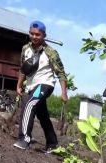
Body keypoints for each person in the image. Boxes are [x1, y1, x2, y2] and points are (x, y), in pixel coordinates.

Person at [13, 20, 68, 153]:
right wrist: (19, 85)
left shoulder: (51, 52)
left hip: (45, 84)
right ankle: (53, 144)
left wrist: (64, 92)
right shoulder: (25, 49)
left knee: (30, 104)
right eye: (31, 34)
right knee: (42, 115)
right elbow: (23, 69)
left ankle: (24, 139)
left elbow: (61, 73)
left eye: (38, 34)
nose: (34, 37)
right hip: (31, 86)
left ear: (44, 35)